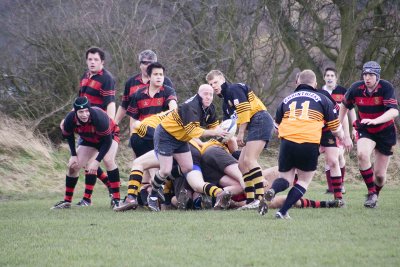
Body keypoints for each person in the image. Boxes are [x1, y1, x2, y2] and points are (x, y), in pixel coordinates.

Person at [259, 70, 344, 219]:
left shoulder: (286, 99)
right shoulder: (322, 98)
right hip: (309, 142)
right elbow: (335, 128)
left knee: (285, 179)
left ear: (298, 82)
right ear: (316, 84)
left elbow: (276, 125)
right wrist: (342, 136)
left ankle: (272, 190)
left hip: (287, 142)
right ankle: (282, 212)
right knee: (303, 181)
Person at [147, 84, 228, 212]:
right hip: (166, 135)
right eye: (205, 94)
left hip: (180, 138)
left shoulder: (210, 108)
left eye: (211, 94)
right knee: (165, 169)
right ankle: (152, 195)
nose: (208, 97)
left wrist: (226, 132)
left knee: (188, 167)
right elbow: (193, 132)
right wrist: (214, 133)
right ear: (198, 94)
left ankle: (162, 181)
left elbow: (214, 128)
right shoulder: (191, 107)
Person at [206, 70, 274, 209]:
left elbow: (244, 111)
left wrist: (241, 133)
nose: (213, 86)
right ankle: (250, 201)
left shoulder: (233, 89)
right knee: (242, 165)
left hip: (260, 119)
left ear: (222, 79)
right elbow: (228, 128)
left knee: (249, 160)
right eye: (210, 84)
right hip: (255, 123)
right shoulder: (226, 104)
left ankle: (260, 199)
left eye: (215, 82)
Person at [339, 61, 399, 208]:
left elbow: (394, 111)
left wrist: (375, 121)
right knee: (362, 155)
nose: (367, 78)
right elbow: (344, 106)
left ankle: (375, 194)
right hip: (365, 129)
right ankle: (371, 193)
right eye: (365, 74)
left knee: (379, 175)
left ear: (377, 76)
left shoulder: (386, 87)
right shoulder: (356, 88)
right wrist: (338, 125)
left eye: (371, 75)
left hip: (385, 132)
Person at [62, 46, 117, 203]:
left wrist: (110, 125)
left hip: (99, 127)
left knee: (99, 162)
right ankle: (86, 198)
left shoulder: (107, 79)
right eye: (90, 59)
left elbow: (110, 103)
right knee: (82, 164)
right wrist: (68, 118)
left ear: (102, 62)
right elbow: (80, 103)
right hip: (84, 127)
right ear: (86, 61)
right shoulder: (85, 76)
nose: (92, 62)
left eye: (96, 60)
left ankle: (107, 194)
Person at [51, 97, 121, 209]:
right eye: (81, 112)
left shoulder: (98, 116)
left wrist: (97, 161)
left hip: (109, 136)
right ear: (75, 112)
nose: (84, 114)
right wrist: (73, 155)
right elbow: (68, 136)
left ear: (90, 109)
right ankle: (67, 201)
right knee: (73, 166)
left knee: (108, 160)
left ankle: (117, 200)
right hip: (89, 139)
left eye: (87, 111)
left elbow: (107, 141)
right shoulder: (70, 118)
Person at [114, 50, 174, 129]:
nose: (148, 66)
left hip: (161, 129)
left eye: (151, 63)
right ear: (140, 65)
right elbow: (124, 105)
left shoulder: (165, 82)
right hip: (139, 129)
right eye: (145, 63)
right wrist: (114, 124)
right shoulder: (131, 82)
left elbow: (172, 106)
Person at [320, 67, 355, 195]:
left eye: (332, 75)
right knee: (329, 159)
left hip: (340, 129)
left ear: (336, 78)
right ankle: (331, 188)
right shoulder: (320, 92)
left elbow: (350, 110)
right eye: (327, 75)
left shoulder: (343, 92)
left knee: (339, 155)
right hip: (326, 130)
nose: (329, 78)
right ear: (324, 77)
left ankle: (341, 184)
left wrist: (353, 129)